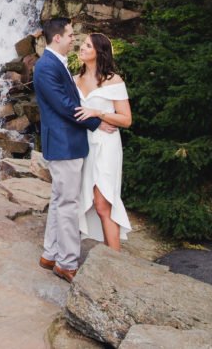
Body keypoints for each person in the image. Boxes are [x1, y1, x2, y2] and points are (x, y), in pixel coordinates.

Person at [34, 18, 102, 282]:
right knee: (68, 204)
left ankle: (50, 253)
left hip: (66, 142)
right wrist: (98, 122)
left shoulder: (54, 63)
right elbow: (64, 105)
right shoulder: (46, 66)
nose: (74, 38)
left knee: (60, 199)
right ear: (57, 38)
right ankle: (67, 262)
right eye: (71, 35)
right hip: (64, 144)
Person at [73, 33, 133, 251]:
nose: (82, 48)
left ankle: (113, 262)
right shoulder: (75, 80)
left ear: (99, 52)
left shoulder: (113, 81)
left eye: (87, 45)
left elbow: (126, 119)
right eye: (81, 44)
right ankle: (107, 255)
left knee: (103, 203)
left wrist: (97, 113)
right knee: (89, 202)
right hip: (84, 144)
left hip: (107, 145)